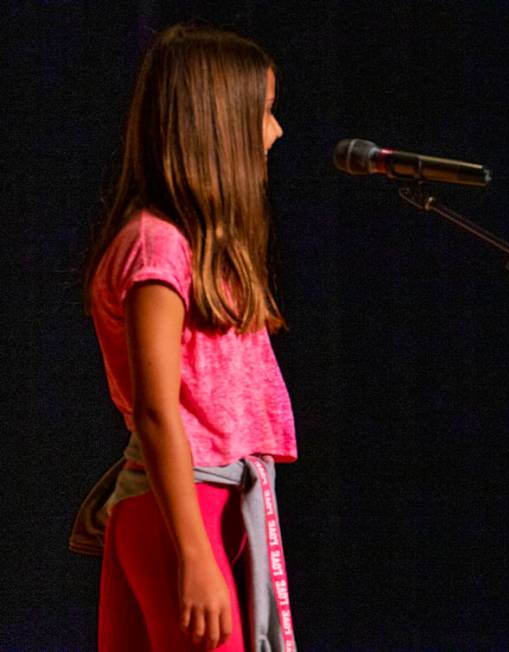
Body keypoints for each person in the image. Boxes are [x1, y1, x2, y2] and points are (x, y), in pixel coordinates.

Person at [72, 24, 296, 651]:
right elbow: (155, 408)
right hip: (183, 511)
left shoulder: (188, 247)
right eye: (264, 113)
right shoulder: (159, 246)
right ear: (217, 124)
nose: (275, 132)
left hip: (191, 509)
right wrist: (194, 553)